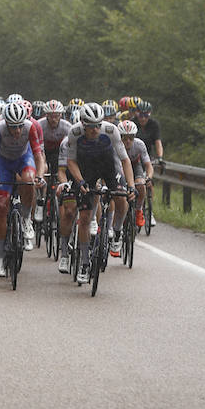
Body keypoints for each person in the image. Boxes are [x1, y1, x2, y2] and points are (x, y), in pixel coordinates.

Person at [63, 101, 135, 281]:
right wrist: (79, 182)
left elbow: (124, 160)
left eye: (97, 125)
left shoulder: (110, 130)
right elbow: (70, 162)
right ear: (82, 124)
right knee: (85, 218)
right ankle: (85, 263)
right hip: (87, 169)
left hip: (109, 168)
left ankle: (117, 231)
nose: (95, 130)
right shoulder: (74, 133)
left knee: (121, 199)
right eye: (90, 126)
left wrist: (131, 186)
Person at [0, 101, 44, 277]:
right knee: (1, 206)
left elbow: (39, 157)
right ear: (6, 123)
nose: (17, 131)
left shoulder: (30, 127)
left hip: (24, 159)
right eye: (13, 127)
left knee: (28, 180)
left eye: (19, 126)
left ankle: (26, 219)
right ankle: (0, 258)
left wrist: (39, 176)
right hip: (3, 162)